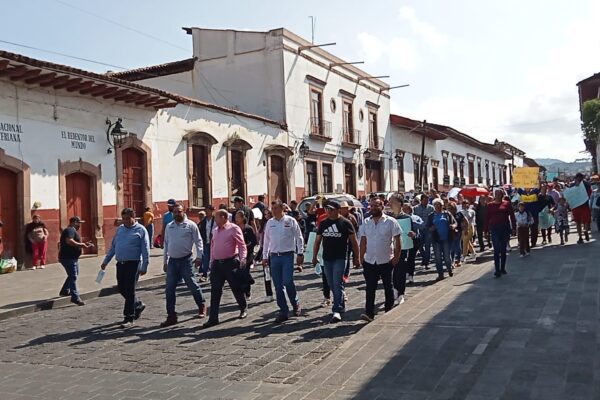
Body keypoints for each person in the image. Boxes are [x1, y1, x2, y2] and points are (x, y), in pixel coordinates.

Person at [101, 208, 150, 329]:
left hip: (133, 264)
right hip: (121, 263)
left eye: (128, 218)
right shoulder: (121, 229)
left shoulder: (141, 230)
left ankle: (129, 317)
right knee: (122, 288)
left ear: (134, 217)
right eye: (123, 219)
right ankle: (137, 304)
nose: (125, 221)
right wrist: (106, 261)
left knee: (130, 289)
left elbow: (145, 249)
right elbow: (113, 246)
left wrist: (145, 266)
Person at [312, 201, 359, 323]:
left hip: (340, 257)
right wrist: (314, 256)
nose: (328, 211)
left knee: (337, 283)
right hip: (327, 258)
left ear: (338, 210)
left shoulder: (345, 223)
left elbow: (354, 242)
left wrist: (357, 257)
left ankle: (336, 309)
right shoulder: (323, 223)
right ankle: (341, 303)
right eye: (327, 209)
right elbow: (317, 241)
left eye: (331, 209)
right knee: (331, 284)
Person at [160, 204, 206, 328]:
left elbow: (198, 241)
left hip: (186, 259)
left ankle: (201, 306)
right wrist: (165, 261)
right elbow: (166, 244)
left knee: (191, 284)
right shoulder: (170, 226)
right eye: (174, 212)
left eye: (179, 212)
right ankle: (171, 315)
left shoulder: (191, 225)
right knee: (169, 289)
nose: (176, 214)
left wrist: (199, 257)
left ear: (183, 211)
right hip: (172, 261)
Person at [203, 209, 248, 328]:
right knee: (215, 290)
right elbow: (213, 247)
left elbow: (241, 244)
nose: (215, 220)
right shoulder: (215, 230)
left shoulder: (233, 228)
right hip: (217, 264)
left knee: (235, 287)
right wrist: (211, 262)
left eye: (216, 217)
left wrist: (243, 259)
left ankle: (243, 307)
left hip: (230, 262)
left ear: (223, 217)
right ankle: (213, 318)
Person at [358, 198, 402, 322]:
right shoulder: (366, 222)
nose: (373, 208)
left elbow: (397, 240)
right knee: (370, 287)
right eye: (371, 206)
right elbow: (363, 241)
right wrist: (361, 257)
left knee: (388, 286)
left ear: (382, 206)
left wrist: (396, 257)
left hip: (386, 260)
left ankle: (389, 309)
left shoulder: (390, 222)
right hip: (370, 260)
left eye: (376, 205)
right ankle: (369, 313)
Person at [262, 200, 305, 323]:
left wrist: (300, 252)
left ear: (282, 209)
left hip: (287, 255)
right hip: (274, 256)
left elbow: (299, 236)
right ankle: (283, 310)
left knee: (288, 281)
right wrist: (265, 256)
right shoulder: (269, 223)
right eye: (273, 208)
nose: (274, 210)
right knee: (278, 286)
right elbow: (266, 241)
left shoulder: (290, 221)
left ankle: (295, 303)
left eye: (276, 208)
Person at [58, 216, 93, 306]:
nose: (79, 225)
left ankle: (65, 291)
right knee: (73, 276)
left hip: (72, 258)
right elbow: (69, 241)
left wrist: (84, 244)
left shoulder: (72, 230)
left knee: (73, 275)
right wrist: (81, 245)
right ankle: (75, 297)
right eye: (78, 223)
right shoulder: (70, 230)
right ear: (74, 222)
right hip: (68, 257)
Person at [389, 196, 417, 305]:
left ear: (400, 204)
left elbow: (413, 232)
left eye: (393, 202)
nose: (391, 204)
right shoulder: (388, 217)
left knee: (400, 268)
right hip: (390, 247)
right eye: (390, 202)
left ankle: (400, 292)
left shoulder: (407, 217)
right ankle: (395, 289)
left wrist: (413, 234)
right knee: (393, 270)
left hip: (403, 246)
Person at [485, 189, 516, 278]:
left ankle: (502, 268)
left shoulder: (507, 204)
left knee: (503, 249)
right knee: (496, 249)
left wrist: (514, 228)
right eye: (496, 194)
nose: (498, 196)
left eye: (499, 194)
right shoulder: (490, 205)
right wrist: (486, 230)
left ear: (502, 195)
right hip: (494, 229)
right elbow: (487, 218)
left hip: (505, 228)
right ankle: (497, 269)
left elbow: (512, 216)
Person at [426, 199, 456, 281]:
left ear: (442, 206)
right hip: (436, 240)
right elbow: (427, 227)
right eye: (436, 205)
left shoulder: (447, 214)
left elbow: (455, 222)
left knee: (447, 257)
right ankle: (440, 274)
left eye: (439, 205)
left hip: (446, 238)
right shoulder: (431, 216)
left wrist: (453, 226)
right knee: (438, 258)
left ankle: (449, 269)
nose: (437, 206)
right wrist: (431, 228)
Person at [235, 210, 258, 300]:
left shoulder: (248, 228)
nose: (236, 219)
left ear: (242, 218)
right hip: (237, 254)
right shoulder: (235, 228)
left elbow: (254, 242)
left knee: (245, 272)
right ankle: (249, 281)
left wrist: (246, 245)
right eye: (236, 217)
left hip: (248, 254)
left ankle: (247, 292)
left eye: (238, 217)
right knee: (240, 274)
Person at [256, 208, 274, 302]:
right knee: (266, 274)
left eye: (268, 214)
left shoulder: (273, 223)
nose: (266, 215)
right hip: (264, 251)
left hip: (274, 251)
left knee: (275, 274)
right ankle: (269, 293)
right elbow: (259, 237)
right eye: (265, 214)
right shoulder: (263, 225)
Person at [413, 195, 434, 268]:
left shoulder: (431, 208)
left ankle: (427, 262)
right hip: (419, 230)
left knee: (428, 246)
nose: (426, 202)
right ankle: (424, 258)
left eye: (427, 200)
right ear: (421, 200)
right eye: (425, 200)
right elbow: (413, 218)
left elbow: (433, 218)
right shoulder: (415, 208)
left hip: (428, 229)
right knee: (420, 246)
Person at [571, 173, 592, 244]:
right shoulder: (586, 184)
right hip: (584, 205)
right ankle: (585, 231)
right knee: (585, 221)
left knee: (578, 222)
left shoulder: (572, 185)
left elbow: (570, 195)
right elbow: (590, 194)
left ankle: (580, 237)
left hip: (576, 206)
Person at [198, 205, 216, 282]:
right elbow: (201, 231)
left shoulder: (216, 220)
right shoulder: (203, 221)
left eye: (209, 210)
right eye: (207, 210)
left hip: (214, 243)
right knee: (205, 258)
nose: (207, 212)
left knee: (214, 259)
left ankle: (213, 273)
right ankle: (205, 274)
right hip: (206, 242)